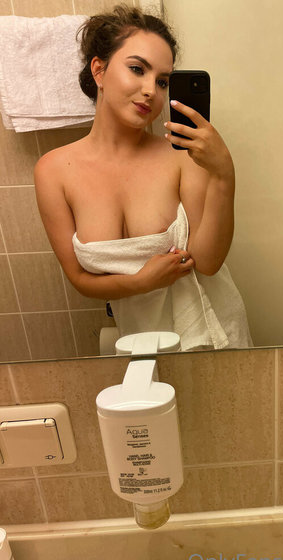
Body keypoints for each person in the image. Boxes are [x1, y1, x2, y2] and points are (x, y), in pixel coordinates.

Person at [34, 3, 252, 351]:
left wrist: (224, 175)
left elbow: (209, 263)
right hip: (138, 340)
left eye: (162, 81)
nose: (152, 90)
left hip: (212, 337)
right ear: (99, 71)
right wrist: (142, 282)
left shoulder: (182, 157)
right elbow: (79, 278)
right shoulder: (53, 170)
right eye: (137, 69)